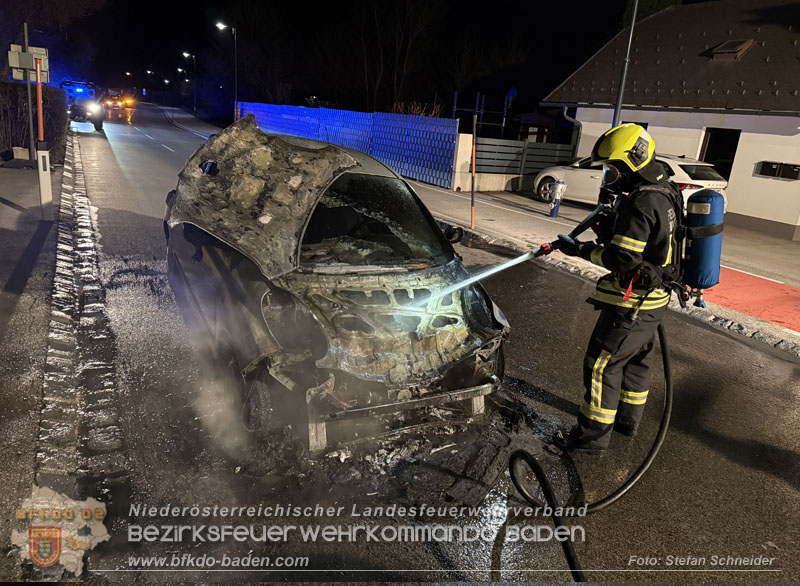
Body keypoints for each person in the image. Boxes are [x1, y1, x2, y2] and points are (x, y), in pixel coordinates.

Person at [553, 123, 683, 453]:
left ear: (630, 163)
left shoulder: (641, 203)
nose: (611, 175)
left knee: (602, 365)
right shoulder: (666, 188)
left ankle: (589, 441)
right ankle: (627, 422)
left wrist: (579, 250)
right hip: (655, 299)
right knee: (637, 359)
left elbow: (621, 258)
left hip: (632, 304)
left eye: (614, 168)